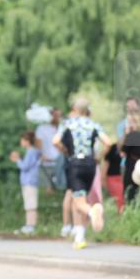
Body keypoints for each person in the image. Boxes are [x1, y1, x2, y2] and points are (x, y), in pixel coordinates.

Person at [52, 98, 112, 250]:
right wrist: (99, 157)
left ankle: (93, 212)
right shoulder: (94, 124)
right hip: (91, 165)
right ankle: (79, 238)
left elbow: (55, 141)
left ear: (75, 109)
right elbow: (108, 143)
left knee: (79, 202)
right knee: (81, 199)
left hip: (75, 165)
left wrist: (64, 150)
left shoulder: (68, 123)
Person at [10, 131, 41, 235]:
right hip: (30, 182)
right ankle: (29, 225)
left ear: (27, 141)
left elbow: (25, 166)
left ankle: (31, 226)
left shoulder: (31, 152)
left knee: (30, 205)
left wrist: (17, 160)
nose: (21, 142)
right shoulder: (33, 152)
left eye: (22, 140)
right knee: (29, 204)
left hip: (29, 181)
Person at [121, 111, 140, 206]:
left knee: (130, 196)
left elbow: (122, 152)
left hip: (131, 167)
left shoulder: (132, 135)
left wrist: (125, 135)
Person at [35, 108, 63, 193]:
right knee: (47, 189)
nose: (56, 117)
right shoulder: (42, 128)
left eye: (58, 116)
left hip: (61, 163)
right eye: (55, 115)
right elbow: (38, 145)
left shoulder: (63, 128)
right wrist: (41, 156)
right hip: (46, 164)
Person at [100, 141, 125, 215]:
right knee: (119, 199)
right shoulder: (110, 155)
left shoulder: (119, 153)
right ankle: (121, 217)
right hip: (111, 178)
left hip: (119, 178)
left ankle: (121, 217)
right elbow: (104, 170)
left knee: (121, 199)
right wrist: (103, 181)